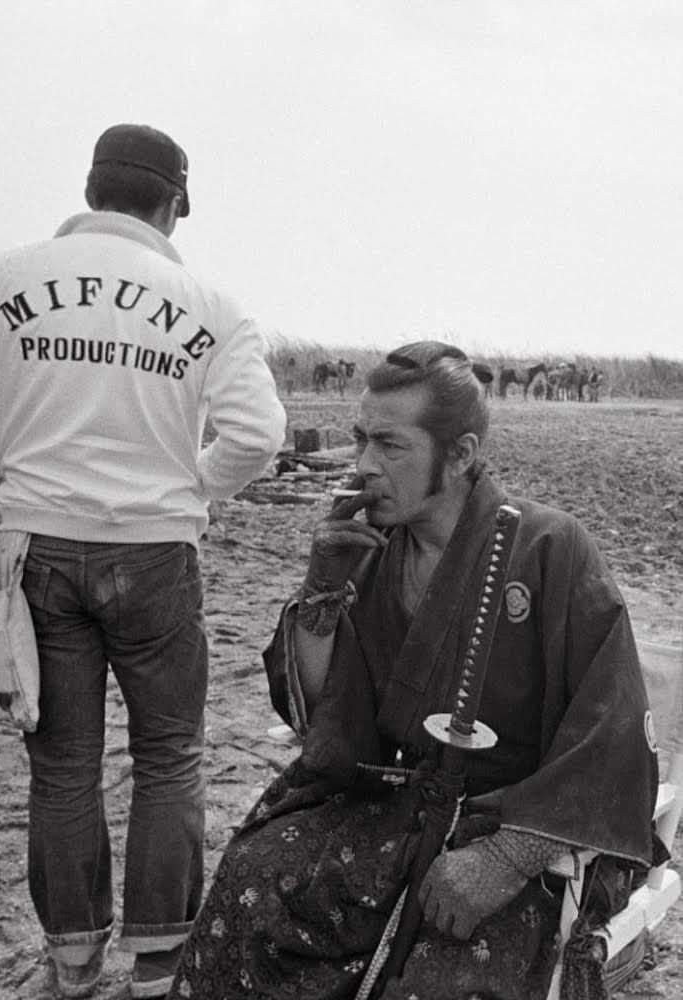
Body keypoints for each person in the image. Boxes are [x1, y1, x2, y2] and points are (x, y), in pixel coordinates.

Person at [0, 122, 287, 999]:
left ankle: (73, 959)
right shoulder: (210, 303)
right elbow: (258, 434)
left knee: (64, 763)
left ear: (90, 187)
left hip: (40, 545)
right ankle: (157, 963)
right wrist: (193, 486)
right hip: (155, 551)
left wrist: (2, 452)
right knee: (170, 754)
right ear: (174, 205)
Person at [166, 341, 659, 1000]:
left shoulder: (550, 549)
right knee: (252, 883)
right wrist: (318, 605)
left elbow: (611, 726)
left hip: (513, 821)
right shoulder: (369, 552)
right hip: (391, 799)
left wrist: (505, 858)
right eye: (359, 440)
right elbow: (328, 718)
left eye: (390, 447)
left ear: (458, 455)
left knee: (450, 974)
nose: (363, 466)